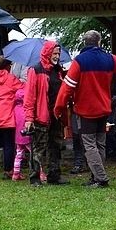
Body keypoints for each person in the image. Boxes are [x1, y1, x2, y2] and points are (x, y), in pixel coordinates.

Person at [53, 30, 116, 188]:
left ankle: (101, 178)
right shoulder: (108, 58)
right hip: (103, 108)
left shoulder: (80, 61)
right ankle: (95, 176)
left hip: (86, 111)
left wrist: (58, 108)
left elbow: (67, 88)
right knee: (100, 143)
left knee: (89, 145)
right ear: (99, 42)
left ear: (84, 42)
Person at [22, 40, 68, 184]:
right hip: (41, 115)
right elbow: (29, 96)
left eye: (58, 54)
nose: (57, 56)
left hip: (56, 115)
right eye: (54, 53)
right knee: (39, 148)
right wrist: (29, 118)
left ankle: (54, 175)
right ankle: (34, 177)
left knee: (56, 145)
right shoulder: (35, 70)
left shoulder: (58, 71)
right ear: (47, 53)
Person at [11, 85, 36, 183]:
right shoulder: (27, 110)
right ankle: (40, 173)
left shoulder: (16, 108)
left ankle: (16, 173)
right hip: (27, 135)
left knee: (18, 154)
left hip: (18, 136)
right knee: (34, 154)